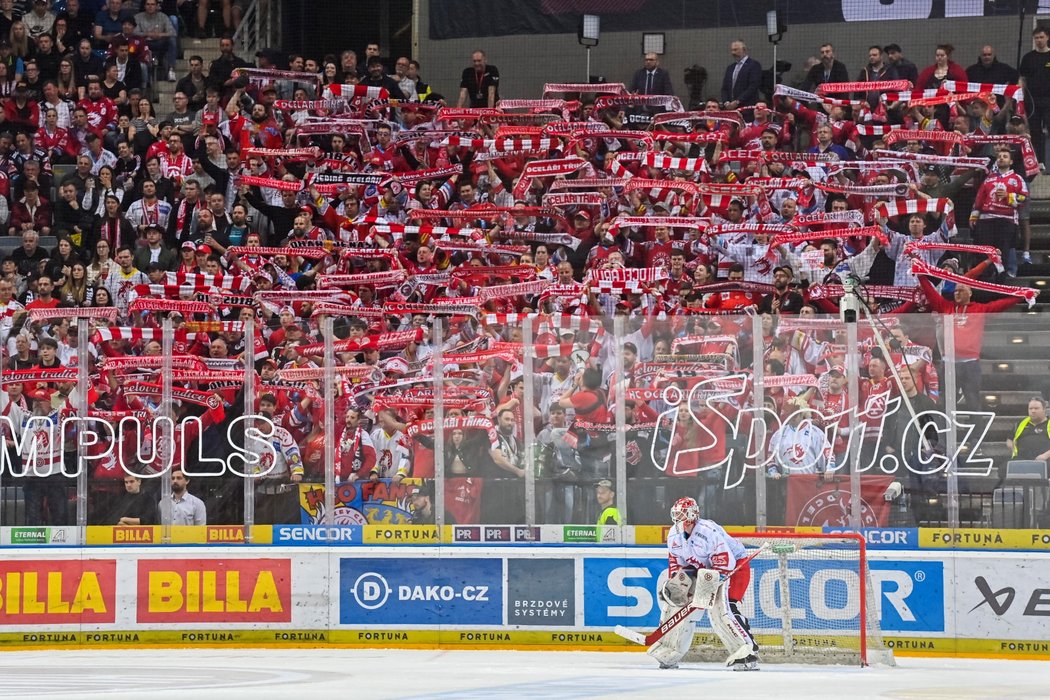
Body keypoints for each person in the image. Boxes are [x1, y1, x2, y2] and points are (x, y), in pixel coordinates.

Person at [648, 497, 758, 671]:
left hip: (735, 567)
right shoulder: (673, 535)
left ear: (692, 514)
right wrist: (679, 584)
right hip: (704, 571)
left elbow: (725, 564)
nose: (677, 517)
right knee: (678, 606)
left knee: (722, 609)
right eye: (676, 513)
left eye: (681, 513)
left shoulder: (707, 532)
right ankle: (671, 651)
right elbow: (676, 563)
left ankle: (746, 652)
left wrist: (705, 588)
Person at [1020, 26, 1050, 171]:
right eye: (1036, 38)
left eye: (1041, 37)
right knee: (1035, 132)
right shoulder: (1028, 58)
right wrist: (1019, 96)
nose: (1039, 40)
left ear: (1047, 38)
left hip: (1049, 100)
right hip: (1033, 102)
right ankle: (1039, 163)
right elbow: (1022, 79)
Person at [1008, 397, 1050, 463]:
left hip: (1045, 459)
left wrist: (1045, 456)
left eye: (1036, 408)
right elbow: (1009, 439)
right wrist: (1012, 448)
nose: (1033, 411)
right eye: (1030, 408)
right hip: (1021, 459)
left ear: (1044, 409)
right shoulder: (1020, 424)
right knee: (1003, 468)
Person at [720, 40, 761, 109]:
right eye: (732, 50)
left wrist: (738, 101)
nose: (733, 53)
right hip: (730, 108)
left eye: (736, 50)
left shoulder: (754, 65)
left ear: (744, 50)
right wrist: (726, 102)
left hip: (747, 108)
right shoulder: (730, 68)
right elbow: (724, 88)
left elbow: (753, 87)